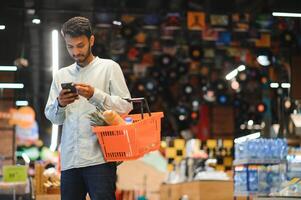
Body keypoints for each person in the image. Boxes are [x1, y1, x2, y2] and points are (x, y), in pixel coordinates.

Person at [45, 16, 133, 200]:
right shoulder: (61, 75)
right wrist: (60, 104)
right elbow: (53, 118)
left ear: (91, 40)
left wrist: (95, 95)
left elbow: (126, 106)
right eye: (70, 46)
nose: (75, 51)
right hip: (70, 161)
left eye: (80, 45)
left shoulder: (109, 67)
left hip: (100, 159)